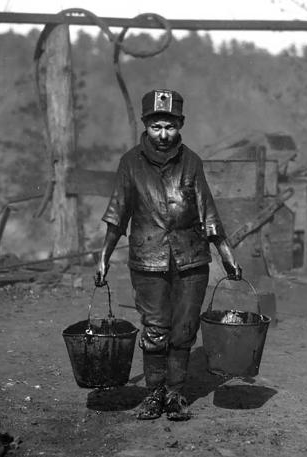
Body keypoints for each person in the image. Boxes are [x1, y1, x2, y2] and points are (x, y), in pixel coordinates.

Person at [95, 89, 242, 421]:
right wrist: (103, 255)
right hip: (148, 259)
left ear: (181, 125)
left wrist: (226, 253)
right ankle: (154, 394)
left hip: (192, 260)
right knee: (155, 328)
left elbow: (209, 213)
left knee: (184, 329)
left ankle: (176, 393)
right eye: (157, 126)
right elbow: (117, 214)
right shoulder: (130, 163)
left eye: (170, 126)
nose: (164, 134)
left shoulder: (191, 162)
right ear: (146, 125)